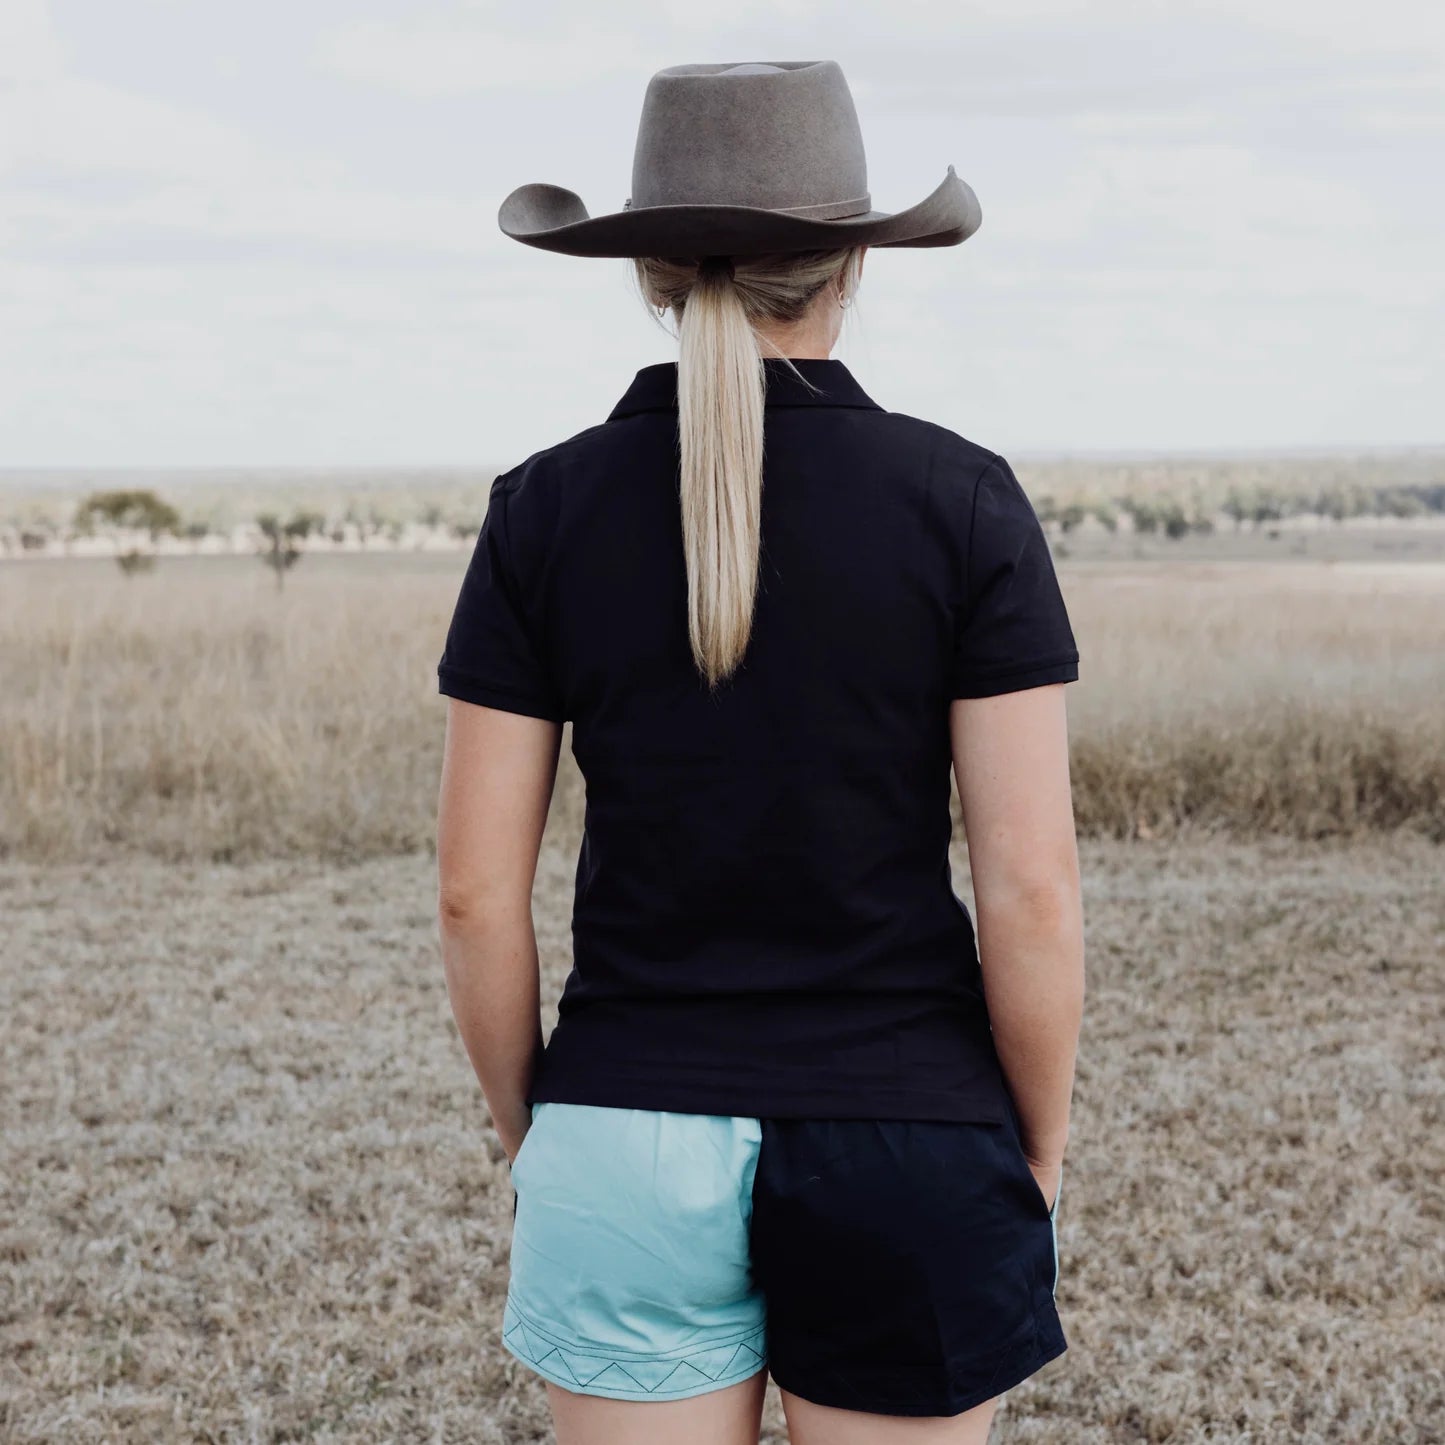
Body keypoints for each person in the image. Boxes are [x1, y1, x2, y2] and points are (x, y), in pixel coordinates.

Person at [436, 60, 1085, 1445]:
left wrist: (536, 1135)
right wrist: (1029, 1138)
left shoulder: (540, 511)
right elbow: (1031, 886)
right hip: (911, 1134)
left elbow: (474, 898)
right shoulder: (962, 503)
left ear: (648, 273)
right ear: (854, 258)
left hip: (621, 1128)